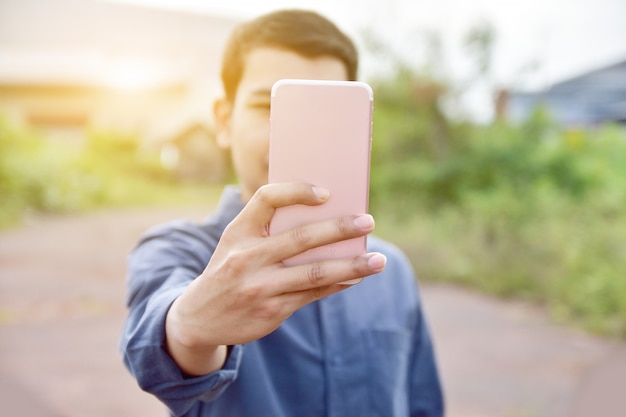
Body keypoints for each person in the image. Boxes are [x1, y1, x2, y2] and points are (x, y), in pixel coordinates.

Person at [120, 9, 444, 417]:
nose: (299, 133)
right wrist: (189, 327)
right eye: (269, 104)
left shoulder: (391, 271)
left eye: (326, 109)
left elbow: (422, 404)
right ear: (224, 120)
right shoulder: (178, 251)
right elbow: (155, 342)